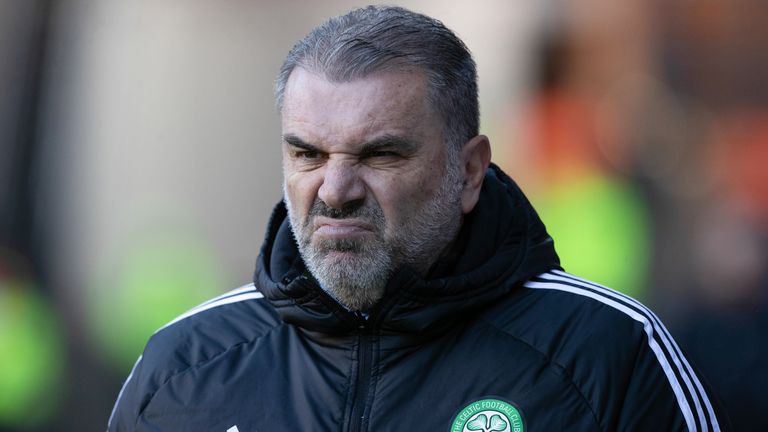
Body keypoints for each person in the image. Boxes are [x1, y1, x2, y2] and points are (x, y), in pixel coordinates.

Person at [108, 5, 726, 431]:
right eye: (308, 154)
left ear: (469, 171)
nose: (336, 190)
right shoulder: (183, 371)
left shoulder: (606, 356)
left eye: (380, 154)